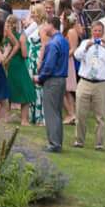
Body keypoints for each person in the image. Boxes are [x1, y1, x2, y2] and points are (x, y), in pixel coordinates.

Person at [73, 18, 105, 150]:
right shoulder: (85, 43)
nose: (97, 33)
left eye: (99, 31)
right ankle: (79, 141)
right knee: (81, 114)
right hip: (85, 82)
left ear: (103, 32)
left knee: (100, 115)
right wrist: (87, 47)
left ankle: (99, 143)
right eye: (95, 30)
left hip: (101, 84)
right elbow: (77, 55)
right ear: (91, 31)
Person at [34, 15, 71, 152]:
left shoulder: (52, 43)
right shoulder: (63, 41)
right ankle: (56, 142)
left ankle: (54, 144)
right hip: (61, 79)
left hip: (53, 80)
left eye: (45, 25)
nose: (44, 28)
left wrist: (40, 77)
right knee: (56, 111)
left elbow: (49, 65)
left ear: (51, 25)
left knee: (51, 112)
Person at [5, 13, 37, 123]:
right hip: (19, 65)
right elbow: (24, 54)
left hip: (8, 65)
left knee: (8, 90)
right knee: (25, 91)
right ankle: (24, 120)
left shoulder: (5, 36)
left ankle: (5, 117)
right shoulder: (21, 37)